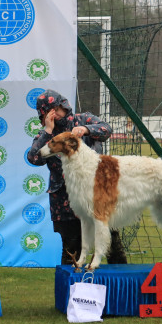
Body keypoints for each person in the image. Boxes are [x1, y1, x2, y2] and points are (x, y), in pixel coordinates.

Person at [26, 90, 127, 265]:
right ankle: (71, 288)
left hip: (97, 194)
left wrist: (86, 129)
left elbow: (106, 130)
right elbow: (34, 158)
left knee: (112, 244)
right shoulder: (46, 135)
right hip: (64, 199)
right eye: (48, 112)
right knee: (71, 248)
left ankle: (121, 286)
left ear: (63, 105)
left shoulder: (83, 119)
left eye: (56, 108)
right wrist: (48, 130)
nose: (54, 114)